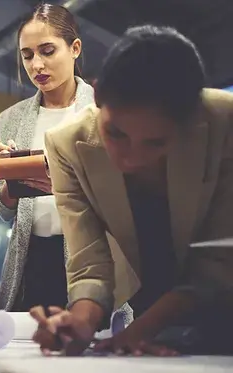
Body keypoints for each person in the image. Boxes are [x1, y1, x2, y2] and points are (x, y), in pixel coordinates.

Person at [32, 25, 233, 356]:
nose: (130, 158)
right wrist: (80, 321)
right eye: (117, 133)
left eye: (155, 142)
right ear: (97, 97)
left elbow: (219, 258)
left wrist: (143, 329)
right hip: (151, 307)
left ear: (189, 122)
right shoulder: (66, 145)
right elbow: (88, 263)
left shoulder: (224, 123)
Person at [0, 3, 90, 312]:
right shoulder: (12, 118)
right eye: (28, 55)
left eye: (47, 51)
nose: (36, 65)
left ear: (74, 48)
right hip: (30, 258)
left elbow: (124, 199)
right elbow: (3, 209)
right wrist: (9, 183)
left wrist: (62, 184)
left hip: (89, 258)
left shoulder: (101, 111)